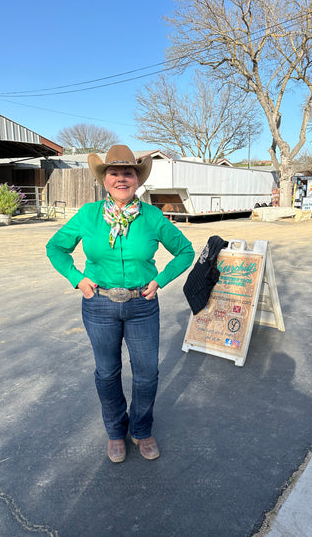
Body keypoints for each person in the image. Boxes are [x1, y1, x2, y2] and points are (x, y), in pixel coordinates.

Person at [46, 145, 194, 462]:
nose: (121, 178)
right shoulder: (88, 215)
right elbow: (56, 247)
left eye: (128, 172)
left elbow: (185, 251)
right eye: (114, 172)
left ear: (137, 179)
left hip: (142, 305)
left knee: (146, 374)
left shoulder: (152, 216)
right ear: (105, 179)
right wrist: (77, 278)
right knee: (107, 373)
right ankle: (116, 432)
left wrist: (160, 280)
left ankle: (141, 430)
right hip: (99, 307)